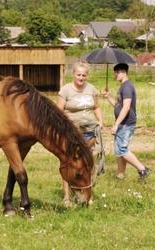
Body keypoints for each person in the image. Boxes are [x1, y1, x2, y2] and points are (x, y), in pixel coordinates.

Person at [57, 61, 103, 207]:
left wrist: (100, 121)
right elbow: (58, 112)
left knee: (90, 164)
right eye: (78, 75)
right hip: (72, 133)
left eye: (84, 75)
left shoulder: (91, 89)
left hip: (90, 131)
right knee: (69, 163)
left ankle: (88, 195)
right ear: (73, 74)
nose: (81, 78)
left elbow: (96, 107)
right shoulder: (65, 90)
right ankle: (67, 197)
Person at [103, 63, 150, 180]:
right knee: (120, 149)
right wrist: (108, 97)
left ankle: (143, 169)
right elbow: (118, 105)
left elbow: (126, 107)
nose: (115, 76)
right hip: (123, 123)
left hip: (126, 123)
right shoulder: (123, 86)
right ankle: (120, 174)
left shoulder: (127, 87)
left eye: (116, 73)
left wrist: (116, 124)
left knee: (121, 149)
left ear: (122, 72)